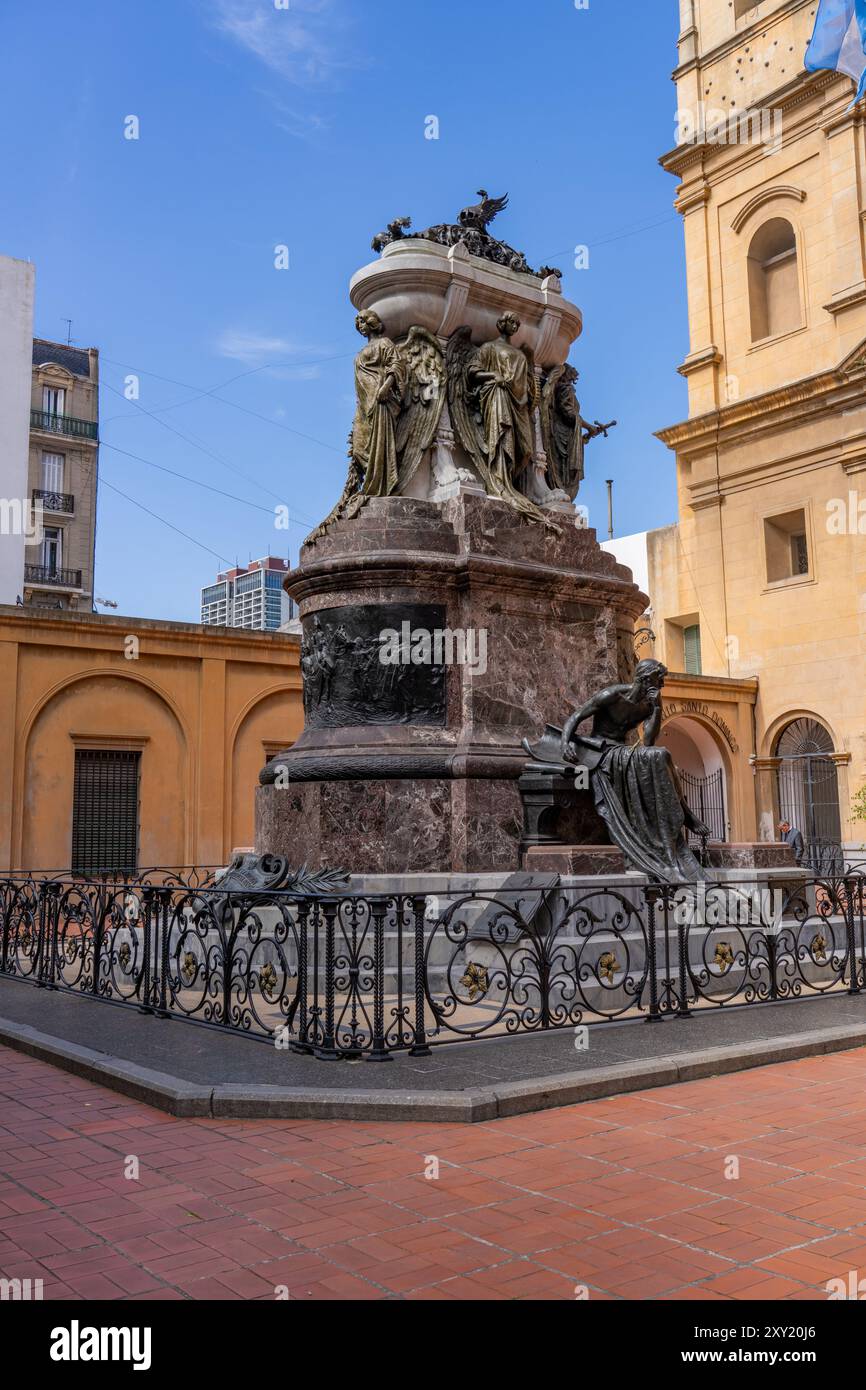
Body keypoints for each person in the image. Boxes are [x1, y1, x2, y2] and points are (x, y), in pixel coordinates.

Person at [561, 659, 710, 883]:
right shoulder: (612, 695)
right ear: (646, 678)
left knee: (659, 754)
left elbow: (648, 741)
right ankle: (686, 813)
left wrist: (657, 707)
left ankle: (684, 813)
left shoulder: (648, 705)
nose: (662, 683)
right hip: (600, 752)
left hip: (620, 752)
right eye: (659, 679)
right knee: (659, 755)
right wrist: (565, 744)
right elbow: (576, 716)